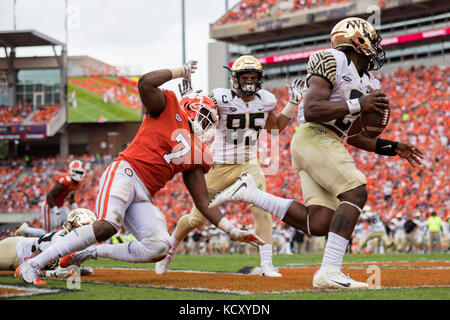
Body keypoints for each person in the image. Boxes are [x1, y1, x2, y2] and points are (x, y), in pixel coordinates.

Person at [209, 17, 424, 289]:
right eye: (372, 40)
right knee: (356, 190)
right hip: (314, 135)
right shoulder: (332, 59)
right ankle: (330, 271)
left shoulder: (368, 81)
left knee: (320, 222)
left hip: (325, 140)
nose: (376, 47)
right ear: (357, 40)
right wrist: (360, 103)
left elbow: (356, 136)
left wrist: (393, 147)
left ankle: (248, 192)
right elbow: (312, 110)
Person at [16, 60, 264, 285]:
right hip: (125, 172)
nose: (209, 124)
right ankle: (32, 264)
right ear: (193, 107)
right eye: (207, 116)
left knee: (159, 247)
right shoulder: (167, 105)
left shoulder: (198, 153)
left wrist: (233, 231)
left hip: (143, 193)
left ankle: (88, 252)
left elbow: (203, 202)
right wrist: (181, 71)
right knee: (108, 225)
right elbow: (145, 82)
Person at [155, 55, 304, 277]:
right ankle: (170, 250)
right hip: (218, 165)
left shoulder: (266, 100)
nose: (250, 81)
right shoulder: (220, 97)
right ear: (235, 79)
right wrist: (188, 101)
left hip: (247, 163)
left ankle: (266, 264)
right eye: (246, 77)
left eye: (254, 77)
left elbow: (274, 128)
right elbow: (198, 118)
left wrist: (292, 103)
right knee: (197, 218)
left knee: (261, 208)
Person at [3, 208, 96, 285]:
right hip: (14, 251)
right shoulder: (59, 240)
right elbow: (26, 267)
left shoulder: (71, 241)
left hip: (18, 251)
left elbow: (61, 265)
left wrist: (76, 269)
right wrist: (52, 274)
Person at [16, 160, 86, 237]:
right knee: (47, 233)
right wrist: (56, 212)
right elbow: (49, 196)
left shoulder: (77, 183)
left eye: (80, 172)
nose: (78, 174)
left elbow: (71, 198)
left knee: (71, 222)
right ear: (71, 170)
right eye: (77, 172)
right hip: (50, 206)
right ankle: (25, 229)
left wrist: (76, 209)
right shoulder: (65, 180)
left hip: (61, 206)